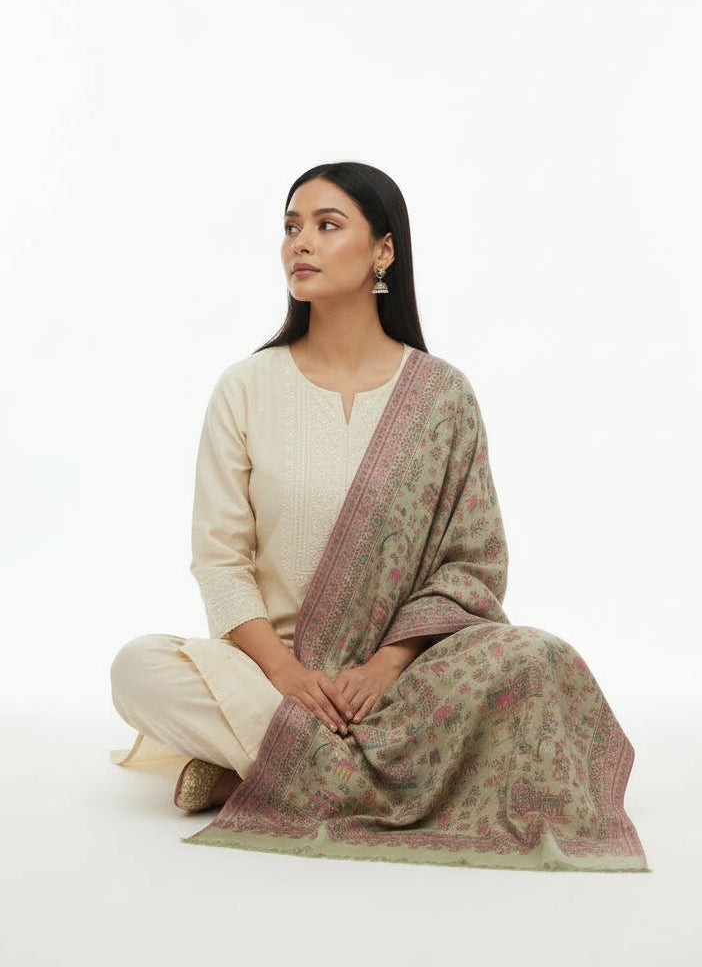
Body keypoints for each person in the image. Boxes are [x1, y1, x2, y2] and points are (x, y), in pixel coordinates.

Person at [110, 161, 648, 872]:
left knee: (538, 660)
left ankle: (270, 772)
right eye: (291, 227)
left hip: (403, 685)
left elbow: (473, 563)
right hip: (271, 678)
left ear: (383, 252)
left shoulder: (442, 397)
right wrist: (287, 675)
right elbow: (220, 559)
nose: (299, 243)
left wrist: (387, 666)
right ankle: (356, 770)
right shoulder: (246, 388)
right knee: (137, 669)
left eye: (327, 226)